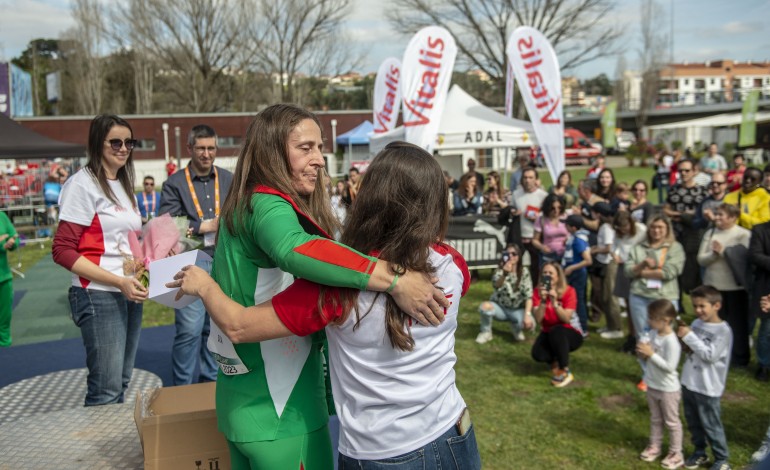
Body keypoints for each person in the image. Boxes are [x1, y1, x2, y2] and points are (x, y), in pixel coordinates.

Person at [169, 140, 476, 469]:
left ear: (368, 198)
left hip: (382, 452)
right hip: (454, 432)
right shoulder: (453, 266)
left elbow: (239, 325)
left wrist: (204, 285)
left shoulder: (335, 287)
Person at [52, 114, 147, 405]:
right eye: (115, 142)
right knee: (106, 388)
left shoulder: (123, 183)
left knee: (120, 380)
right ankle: (98, 451)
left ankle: (113, 447)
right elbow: (62, 249)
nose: (123, 148)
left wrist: (143, 272)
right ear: (97, 143)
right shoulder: (82, 184)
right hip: (97, 294)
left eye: (129, 142)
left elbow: (127, 245)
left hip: (127, 290)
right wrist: (120, 281)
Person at [158, 124, 234, 385]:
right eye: (200, 148)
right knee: (189, 332)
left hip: (223, 263)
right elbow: (167, 225)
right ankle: (181, 388)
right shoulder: (174, 184)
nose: (206, 153)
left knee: (214, 328)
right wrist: (206, 225)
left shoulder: (228, 180)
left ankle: (209, 385)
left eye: (211, 148)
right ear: (190, 148)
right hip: (188, 265)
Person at [625, 215, 685, 392]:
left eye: (660, 227)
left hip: (664, 296)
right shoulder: (638, 247)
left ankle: (666, 370)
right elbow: (628, 271)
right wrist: (642, 264)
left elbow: (670, 272)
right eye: (653, 227)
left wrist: (642, 272)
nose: (656, 231)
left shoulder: (675, 248)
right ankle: (647, 374)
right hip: (639, 296)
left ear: (667, 229)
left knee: (664, 336)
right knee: (643, 335)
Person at [677, 286, 733, 470]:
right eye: (695, 306)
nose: (698, 310)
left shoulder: (723, 331)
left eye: (702, 306)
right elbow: (693, 348)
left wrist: (690, 337)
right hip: (689, 382)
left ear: (716, 305)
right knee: (693, 422)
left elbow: (710, 356)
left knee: (711, 424)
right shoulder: (696, 323)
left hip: (708, 387)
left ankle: (721, 458)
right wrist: (684, 343)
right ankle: (699, 452)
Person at [697, 203, 751, 367]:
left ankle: (739, 358)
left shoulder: (743, 234)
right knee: (715, 322)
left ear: (733, 217)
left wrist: (723, 252)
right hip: (713, 285)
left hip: (735, 288)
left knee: (737, 324)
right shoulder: (710, 232)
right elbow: (701, 259)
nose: (717, 218)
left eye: (721, 215)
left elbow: (744, 258)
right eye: (717, 214)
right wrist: (714, 255)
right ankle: (715, 353)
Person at [636, 299, 683, 470]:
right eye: (649, 317)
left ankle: (676, 453)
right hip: (652, 384)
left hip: (668, 389)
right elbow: (648, 357)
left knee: (671, 422)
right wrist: (642, 353)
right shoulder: (654, 334)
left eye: (652, 318)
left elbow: (670, 367)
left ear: (666, 320)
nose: (649, 321)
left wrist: (651, 354)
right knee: (655, 419)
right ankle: (655, 446)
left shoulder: (671, 341)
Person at [531, 261, 582, 387]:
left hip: (570, 332)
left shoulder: (569, 291)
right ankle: (554, 361)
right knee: (538, 354)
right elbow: (538, 319)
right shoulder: (537, 292)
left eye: (551, 273)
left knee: (557, 331)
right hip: (548, 331)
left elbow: (566, 319)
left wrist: (555, 303)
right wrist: (543, 301)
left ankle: (564, 369)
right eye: (545, 273)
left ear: (558, 276)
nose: (547, 275)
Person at [664, 158, 707, 299]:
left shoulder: (701, 192)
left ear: (694, 171)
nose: (683, 173)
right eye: (681, 170)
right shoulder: (674, 190)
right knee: (675, 266)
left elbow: (700, 214)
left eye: (687, 170)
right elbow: (666, 210)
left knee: (693, 269)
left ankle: (696, 300)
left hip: (694, 236)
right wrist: (682, 215)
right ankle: (678, 302)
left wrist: (680, 216)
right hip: (676, 234)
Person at [477, 244, 533, 344]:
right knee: (484, 307)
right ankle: (486, 332)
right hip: (500, 308)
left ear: (519, 256)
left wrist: (527, 315)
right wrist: (504, 274)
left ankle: (516, 328)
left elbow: (529, 296)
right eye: (508, 253)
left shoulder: (524, 272)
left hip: (517, 309)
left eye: (514, 254)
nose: (511, 256)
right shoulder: (499, 270)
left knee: (529, 324)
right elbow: (496, 285)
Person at [612, 211, 647, 346]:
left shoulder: (641, 230)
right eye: (621, 228)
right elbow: (615, 246)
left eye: (626, 226)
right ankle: (632, 335)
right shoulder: (618, 233)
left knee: (640, 302)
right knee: (628, 303)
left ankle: (641, 334)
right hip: (624, 268)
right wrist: (615, 255)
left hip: (638, 268)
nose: (624, 230)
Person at [511, 167, 548, 284]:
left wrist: (537, 217)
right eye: (525, 177)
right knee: (516, 265)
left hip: (536, 237)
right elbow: (511, 209)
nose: (527, 180)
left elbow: (548, 215)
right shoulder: (516, 194)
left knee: (536, 266)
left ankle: (536, 290)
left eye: (531, 177)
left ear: (536, 179)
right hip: (520, 236)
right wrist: (513, 212)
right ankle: (518, 288)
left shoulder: (543, 195)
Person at [590, 201, 621, 337]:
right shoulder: (604, 226)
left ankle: (616, 328)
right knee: (604, 295)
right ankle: (609, 325)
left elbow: (608, 248)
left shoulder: (606, 228)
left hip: (609, 263)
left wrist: (595, 250)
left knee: (610, 296)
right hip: (604, 263)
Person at [562, 215, 592, 333]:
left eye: (567, 225)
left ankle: (583, 327)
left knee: (578, 300)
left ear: (573, 227)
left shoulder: (578, 240)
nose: (565, 227)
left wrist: (571, 268)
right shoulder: (576, 237)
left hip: (577, 273)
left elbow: (588, 260)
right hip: (575, 272)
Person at [749, 217, 770, 382]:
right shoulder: (760, 230)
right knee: (766, 329)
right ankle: (764, 364)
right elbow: (755, 255)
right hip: (766, 284)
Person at [531, 194, 568, 265]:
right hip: (548, 255)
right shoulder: (541, 220)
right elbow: (534, 240)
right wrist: (542, 247)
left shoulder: (565, 217)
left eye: (559, 207)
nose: (556, 211)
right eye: (552, 208)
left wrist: (568, 239)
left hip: (565, 254)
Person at [0, 211, 18, 347]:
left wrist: (12, 242)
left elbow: (14, 236)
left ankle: (6, 349)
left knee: (4, 321)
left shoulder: (2, 216)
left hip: (4, 277)